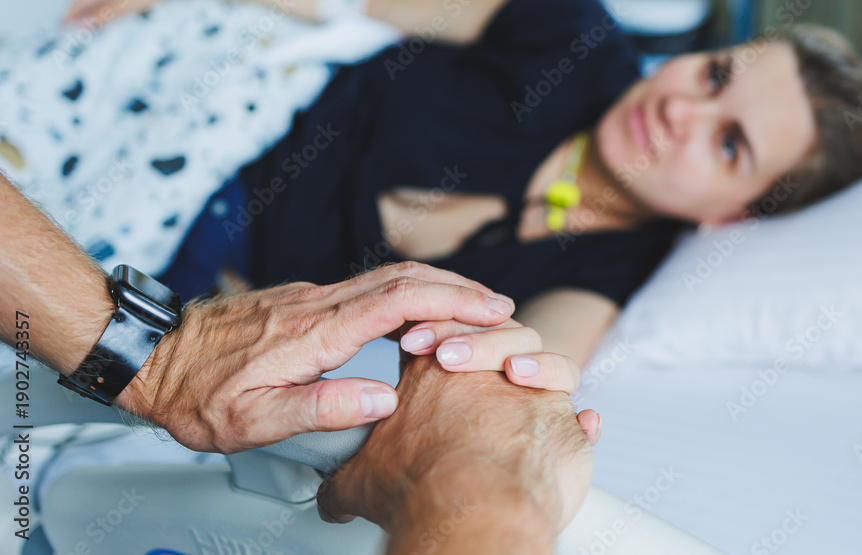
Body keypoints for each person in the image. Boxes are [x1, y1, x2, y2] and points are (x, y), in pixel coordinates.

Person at [55, 0, 862, 371]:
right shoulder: (570, 28)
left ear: (736, 212)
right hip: (237, 90)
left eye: (729, 143)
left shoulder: (611, 268)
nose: (681, 105)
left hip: (199, 262)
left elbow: (534, 366)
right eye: (716, 73)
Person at [0, 170, 601, 552]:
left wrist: (493, 390)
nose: (687, 118)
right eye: (703, 75)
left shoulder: (607, 264)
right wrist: (479, 479)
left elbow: (540, 348)